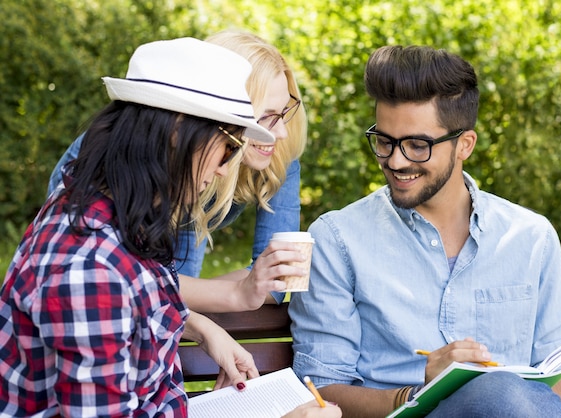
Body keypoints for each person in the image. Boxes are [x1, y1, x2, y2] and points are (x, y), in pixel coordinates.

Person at [0, 37, 340, 418]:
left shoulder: (114, 212)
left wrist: (203, 329)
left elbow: (144, 296)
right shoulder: (91, 272)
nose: (227, 168)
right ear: (176, 135)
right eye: (229, 147)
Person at [289, 45, 561, 417]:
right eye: (384, 141)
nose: (395, 161)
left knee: (501, 394)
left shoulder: (531, 238)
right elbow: (321, 390)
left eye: (417, 145)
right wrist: (421, 393)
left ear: (464, 145)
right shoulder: (338, 239)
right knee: (497, 391)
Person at [47, 29, 307, 307]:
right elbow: (102, 269)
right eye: (265, 118)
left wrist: (187, 303)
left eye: (284, 113)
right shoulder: (133, 161)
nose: (280, 132)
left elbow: (274, 283)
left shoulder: (278, 154)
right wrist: (231, 294)